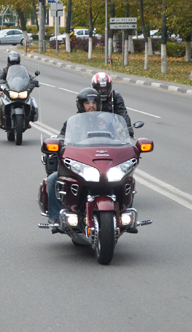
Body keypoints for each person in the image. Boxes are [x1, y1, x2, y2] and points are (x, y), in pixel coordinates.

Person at [46, 88, 101, 223]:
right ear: (81, 105)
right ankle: (55, 217)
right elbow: (61, 137)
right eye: (87, 103)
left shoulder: (105, 122)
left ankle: (126, 216)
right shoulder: (72, 122)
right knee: (52, 180)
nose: (91, 105)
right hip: (79, 163)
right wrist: (59, 142)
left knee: (127, 180)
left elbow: (120, 139)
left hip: (101, 163)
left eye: (94, 102)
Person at [91, 71, 133, 137]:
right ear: (95, 88)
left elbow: (122, 112)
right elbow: (82, 113)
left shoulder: (115, 96)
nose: (103, 91)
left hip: (112, 130)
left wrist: (128, 127)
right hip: (92, 129)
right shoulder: (90, 97)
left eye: (105, 89)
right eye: (100, 89)